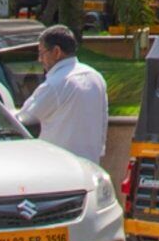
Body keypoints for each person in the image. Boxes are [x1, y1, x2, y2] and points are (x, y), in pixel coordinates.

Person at [23, 25, 111, 166]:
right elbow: (103, 121)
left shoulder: (55, 84)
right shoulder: (96, 77)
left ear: (57, 52)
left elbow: (25, 120)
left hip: (58, 169)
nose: (40, 59)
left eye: (42, 53)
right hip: (90, 165)